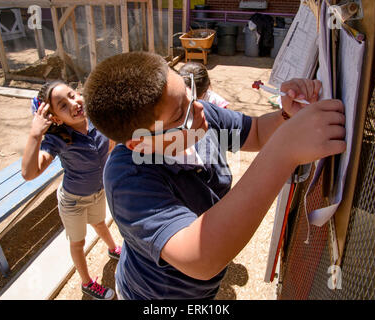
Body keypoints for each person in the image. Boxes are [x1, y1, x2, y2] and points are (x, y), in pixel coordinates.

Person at [83, 51, 346, 299]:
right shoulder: (127, 178)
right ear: (140, 144)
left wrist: (287, 115)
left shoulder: (197, 116)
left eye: (191, 93)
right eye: (180, 115)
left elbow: (254, 132)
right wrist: (282, 153)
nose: (198, 109)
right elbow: (200, 258)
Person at [21, 81, 121, 300]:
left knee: (100, 223)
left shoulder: (96, 120)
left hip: (97, 192)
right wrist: (36, 133)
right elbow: (29, 173)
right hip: (73, 201)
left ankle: (114, 249)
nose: (74, 104)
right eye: (63, 106)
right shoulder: (57, 140)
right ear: (55, 118)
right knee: (78, 243)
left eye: (73, 95)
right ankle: (87, 283)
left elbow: (111, 143)